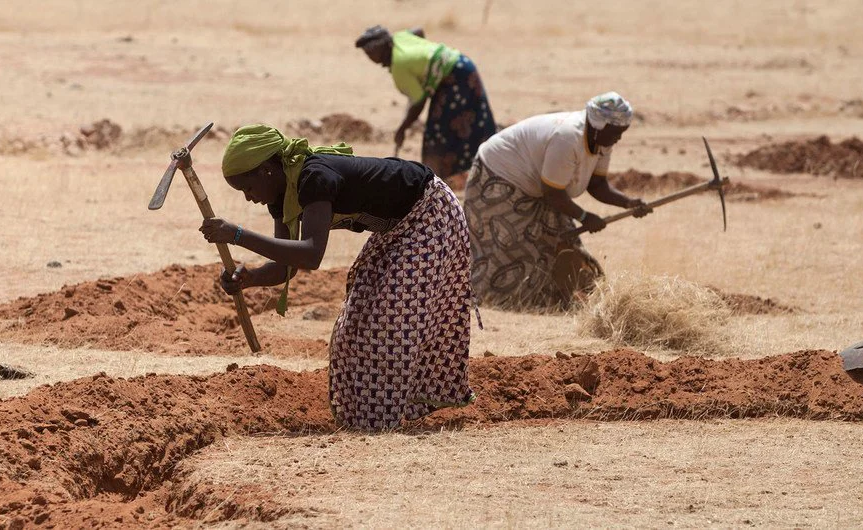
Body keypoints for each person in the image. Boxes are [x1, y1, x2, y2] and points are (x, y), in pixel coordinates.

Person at [198, 124, 475, 431]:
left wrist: (237, 235)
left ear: (266, 171)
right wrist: (248, 278)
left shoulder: (313, 178)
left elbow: (311, 254)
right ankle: (366, 420)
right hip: (397, 229)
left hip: (430, 213)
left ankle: (391, 416)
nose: (249, 199)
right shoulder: (282, 194)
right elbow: (285, 265)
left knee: (391, 319)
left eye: (247, 189)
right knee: (352, 329)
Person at [464, 92, 652, 310]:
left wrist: (628, 203)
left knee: (559, 236)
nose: (619, 138)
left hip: (536, 185)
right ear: (600, 124)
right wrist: (584, 217)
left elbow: (597, 185)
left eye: (622, 133)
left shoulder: (601, 140)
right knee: (511, 244)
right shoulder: (568, 138)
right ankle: (492, 299)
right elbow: (552, 193)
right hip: (498, 174)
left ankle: (563, 296)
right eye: (616, 133)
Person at [355, 25, 496, 184]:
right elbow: (419, 31)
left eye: (371, 52)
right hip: (462, 64)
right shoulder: (400, 37)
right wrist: (426, 58)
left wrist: (402, 128)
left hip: (455, 79)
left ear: (384, 47)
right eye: (367, 53)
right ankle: (479, 170)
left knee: (440, 132)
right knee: (471, 124)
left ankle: (439, 182)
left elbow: (419, 102)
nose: (370, 57)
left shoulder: (400, 67)